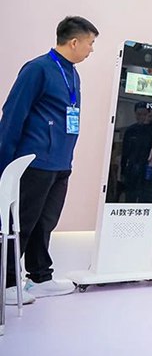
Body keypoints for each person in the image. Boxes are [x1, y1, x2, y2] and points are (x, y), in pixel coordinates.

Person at [0, 16, 98, 305]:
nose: (91, 50)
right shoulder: (38, 69)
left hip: (60, 163)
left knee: (45, 223)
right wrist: (4, 163)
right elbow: (13, 114)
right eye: (90, 43)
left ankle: (40, 277)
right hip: (34, 161)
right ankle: (6, 282)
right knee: (21, 223)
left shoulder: (73, 74)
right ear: (74, 42)